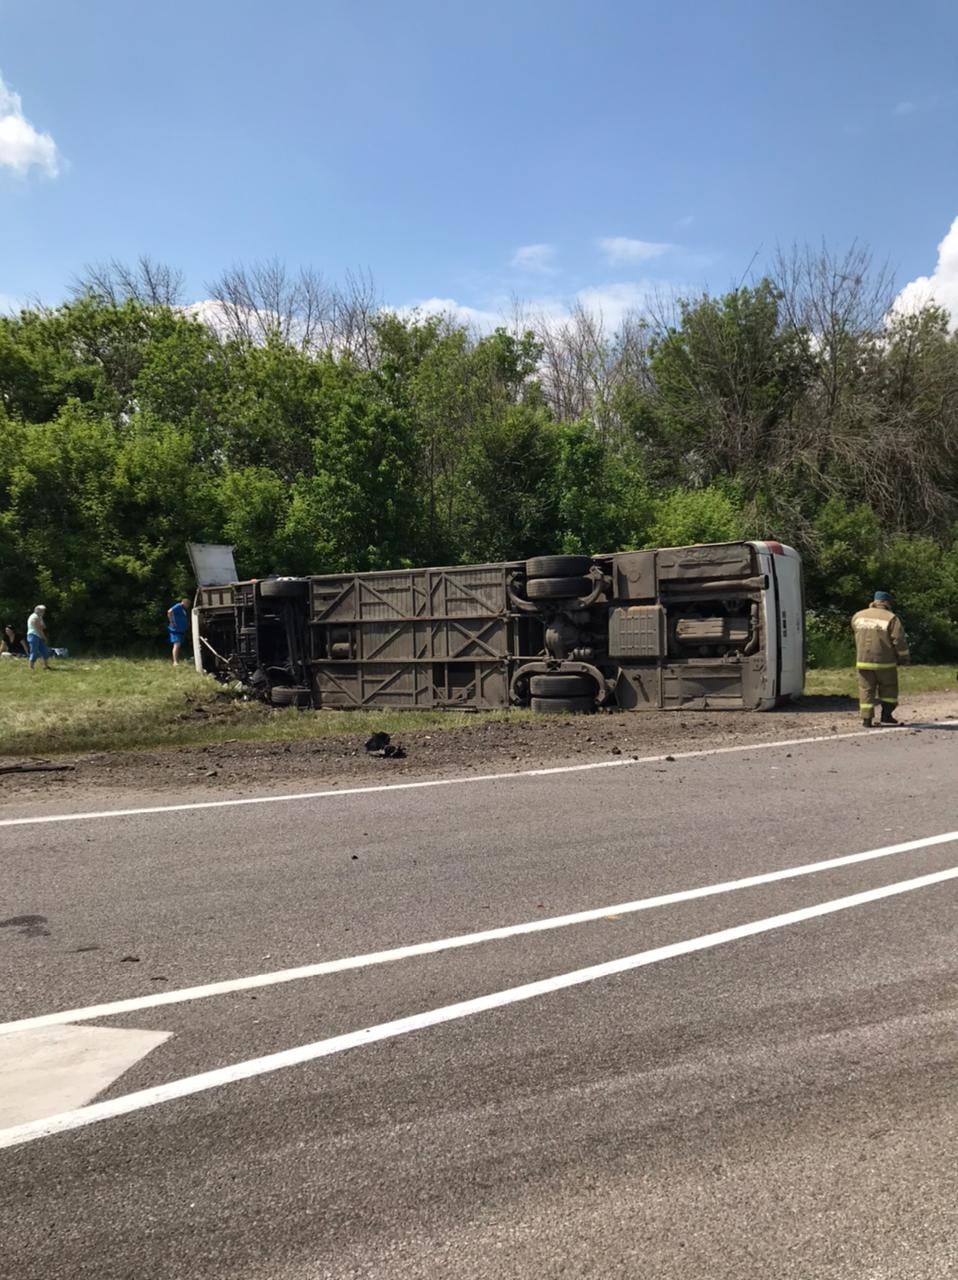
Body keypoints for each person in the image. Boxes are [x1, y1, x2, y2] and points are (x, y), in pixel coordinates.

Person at [851, 590, 910, 727]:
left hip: (863, 661)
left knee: (866, 689)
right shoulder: (891, 618)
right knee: (889, 689)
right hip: (885, 662)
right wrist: (904, 658)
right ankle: (886, 715)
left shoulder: (858, 616)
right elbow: (899, 640)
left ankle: (866, 720)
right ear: (887, 603)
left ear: (874, 601)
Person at [167, 596, 192, 666]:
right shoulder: (178, 606)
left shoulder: (182, 609)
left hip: (180, 630)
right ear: (184, 602)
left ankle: (177, 660)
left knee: (178, 645)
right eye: (188, 604)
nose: (188, 606)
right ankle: (175, 662)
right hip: (175, 630)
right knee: (176, 645)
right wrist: (172, 622)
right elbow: (169, 611)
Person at [26, 605, 52, 672]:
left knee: (44, 651)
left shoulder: (39, 617)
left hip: (39, 635)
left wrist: (41, 628)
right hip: (33, 636)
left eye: (44, 611)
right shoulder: (34, 617)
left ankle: (46, 666)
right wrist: (44, 638)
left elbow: (44, 626)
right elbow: (39, 629)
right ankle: (31, 667)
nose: (44, 612)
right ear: (38, 610)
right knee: (34, 651)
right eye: (42, 611)